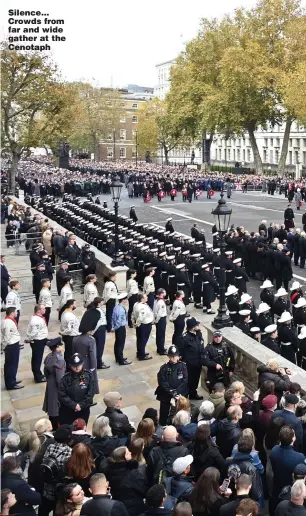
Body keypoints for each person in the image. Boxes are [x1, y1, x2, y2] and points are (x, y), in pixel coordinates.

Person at [102, 446, 148, 515]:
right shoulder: (132, 473)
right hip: (134, 509)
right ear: (124, 457)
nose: (130, 452)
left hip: (118, 507)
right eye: (127, 452)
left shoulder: (108, 472)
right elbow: (143, 489)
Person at [270, 426, 306, 512]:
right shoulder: (299, 457)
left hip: (277, 486)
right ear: (293, 439)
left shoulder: (274, 450)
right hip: (290, 489)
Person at [155, 345, 188, 426]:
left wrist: (177, 392)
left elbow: (185, 380)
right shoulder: (164, 368)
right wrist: (171, 391)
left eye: (175, 356)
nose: (173, 358)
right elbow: (162, 382)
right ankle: (162, 425)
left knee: (180, 412)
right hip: (166, 395)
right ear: (169, 357)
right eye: (171, 356)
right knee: (164, 412)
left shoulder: (183, 366)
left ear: (178, 356)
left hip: (179, 395)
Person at [58, 353, 95, 425]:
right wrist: (74, 405)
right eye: (74, 366)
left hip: (83, 409)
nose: (77, 368)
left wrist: (81, 405)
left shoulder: (89, 376)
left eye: (79, 365)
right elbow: (62, 395)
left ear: (82, 364)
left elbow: (90, 393)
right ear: (70, 366)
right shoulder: (65, 379)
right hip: (68, 410)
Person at [225, 435, 263, 503]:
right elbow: (256, 494)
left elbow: (224, 480)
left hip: (230, 499)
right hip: (245, 503)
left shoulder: (227, 461)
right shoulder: (252, 469)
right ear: (251, 450)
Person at [178, 317, 205, 400]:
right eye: (197, 324)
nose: (199, 325)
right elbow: (180, 353)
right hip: (189, 365)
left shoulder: (198, 333)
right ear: (193, 327)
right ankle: (185, 397)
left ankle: (193, 393)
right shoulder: (184, 338)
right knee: (188, 381)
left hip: (198, 363)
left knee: (195, 380)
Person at [42, 337, 66, 430]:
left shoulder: (49, 356)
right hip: (56, 386)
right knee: (56, 407)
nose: (62, 346)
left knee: (51, 405)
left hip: (50, 383)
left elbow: (45, 371)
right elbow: (60, 379)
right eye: (60, 345)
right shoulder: (59, 360)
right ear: (57, 347)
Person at [82, 296, 109, 369]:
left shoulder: (95, 310)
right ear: (99, 303)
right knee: (100, 347)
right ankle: (99, 363)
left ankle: (97, 361)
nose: (103, 302)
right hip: (100, 330)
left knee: (97, 347)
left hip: (98, 330)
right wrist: (93, 331)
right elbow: (97, 323)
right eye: (102, 301)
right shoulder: (98, 311)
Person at [72, 325, 99, 396]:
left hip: (78, 363)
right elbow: (92, 356)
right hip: (88, 363)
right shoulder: (91, 340)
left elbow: (74, 353)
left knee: (81, 381)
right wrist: (93, 366)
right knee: (90, 381)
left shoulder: (75, 339)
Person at [1, 307, 23, 390]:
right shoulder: (9, 323)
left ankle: (12, 380)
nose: (17, 313)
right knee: (11, 365)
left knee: (11, 364)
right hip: (11, 345)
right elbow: (6, 336)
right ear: (12, 313)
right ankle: (11, 384)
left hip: (12, 345)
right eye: (16, 312)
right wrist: (3, 347)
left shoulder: (6, 321)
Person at [26, 304, 48, 383]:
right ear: (39, 310)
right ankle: (38, 377)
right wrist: (29, 339)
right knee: (37, 359)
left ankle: (38, 374)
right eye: (43, 308)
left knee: (37, 358)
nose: (45, 309)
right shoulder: (36, 320)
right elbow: (34, 333)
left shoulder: (37, 318)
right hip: (37, 341)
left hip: (40, 340)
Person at [112, 292, 131, 365]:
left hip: (118, 328)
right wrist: (115, 327)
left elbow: (113, 318)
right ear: (123, 300)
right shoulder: (121, 309)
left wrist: (114, 326)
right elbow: (119, 321)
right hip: (120, 328)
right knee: (120, 344)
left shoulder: (116, 307)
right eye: (126, 299)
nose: (126, 300)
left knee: (117, 343)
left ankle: (118, 357)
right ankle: (121, 360)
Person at [134, 293, 154, 361]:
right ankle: (142, 355)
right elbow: (141, 317)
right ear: (142, 299)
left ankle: (140, 352)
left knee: (139, 339)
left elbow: (133, 314)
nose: (147, 298)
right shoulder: (142, 306)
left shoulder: (136, 304)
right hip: (144, 325)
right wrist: (137, 323)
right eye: (146, 297)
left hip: (141, 324)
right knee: (143, 340)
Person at [60, 299, 80, 364]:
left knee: (68, 352)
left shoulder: (65, 313)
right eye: (75, 304)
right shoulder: (69, 316)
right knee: (70, 353)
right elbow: (69, 329)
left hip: (68, 336)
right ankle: (70, 366)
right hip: (71, 336)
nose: (76, 305)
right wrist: (62, 333)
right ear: (71, 305)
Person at [153, 288, 168, 355]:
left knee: (159, 334)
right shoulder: (161, 302)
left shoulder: (156, 300)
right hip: (161, 319)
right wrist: (156, 321)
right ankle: (161, 350)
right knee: (161, 335)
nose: (165, 293)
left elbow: (154, 311)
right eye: (164, 292)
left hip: (158, 319)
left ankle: (160, 348)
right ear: (161, 293)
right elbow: (159, 314)